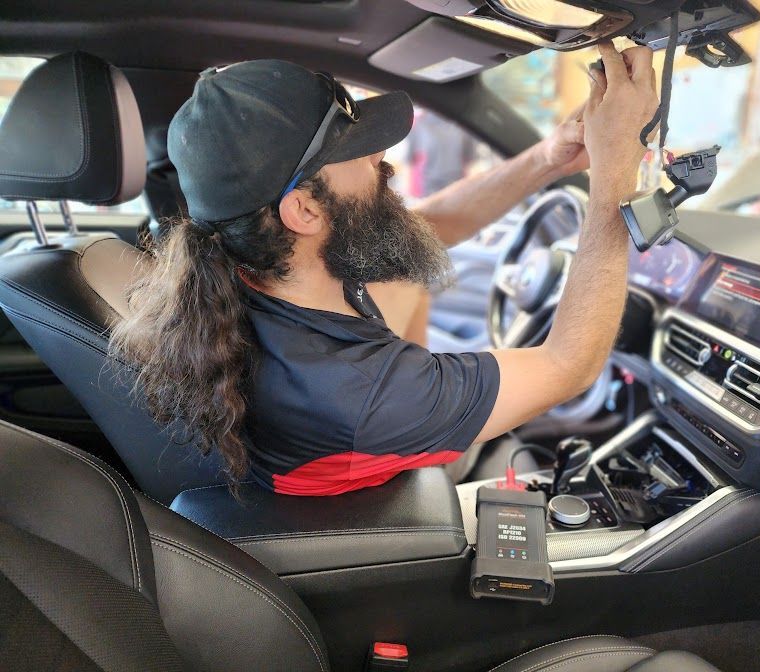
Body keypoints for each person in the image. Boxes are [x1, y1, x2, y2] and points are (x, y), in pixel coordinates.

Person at [111, 42, 659, 496]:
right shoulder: (359, 390)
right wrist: (616, 174)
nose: (380, 159)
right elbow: (570, 364)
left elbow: (432, 227)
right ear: (304, 209)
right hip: (397, 520)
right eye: (360, 151)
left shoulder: (251, 264)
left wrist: (549, 158)